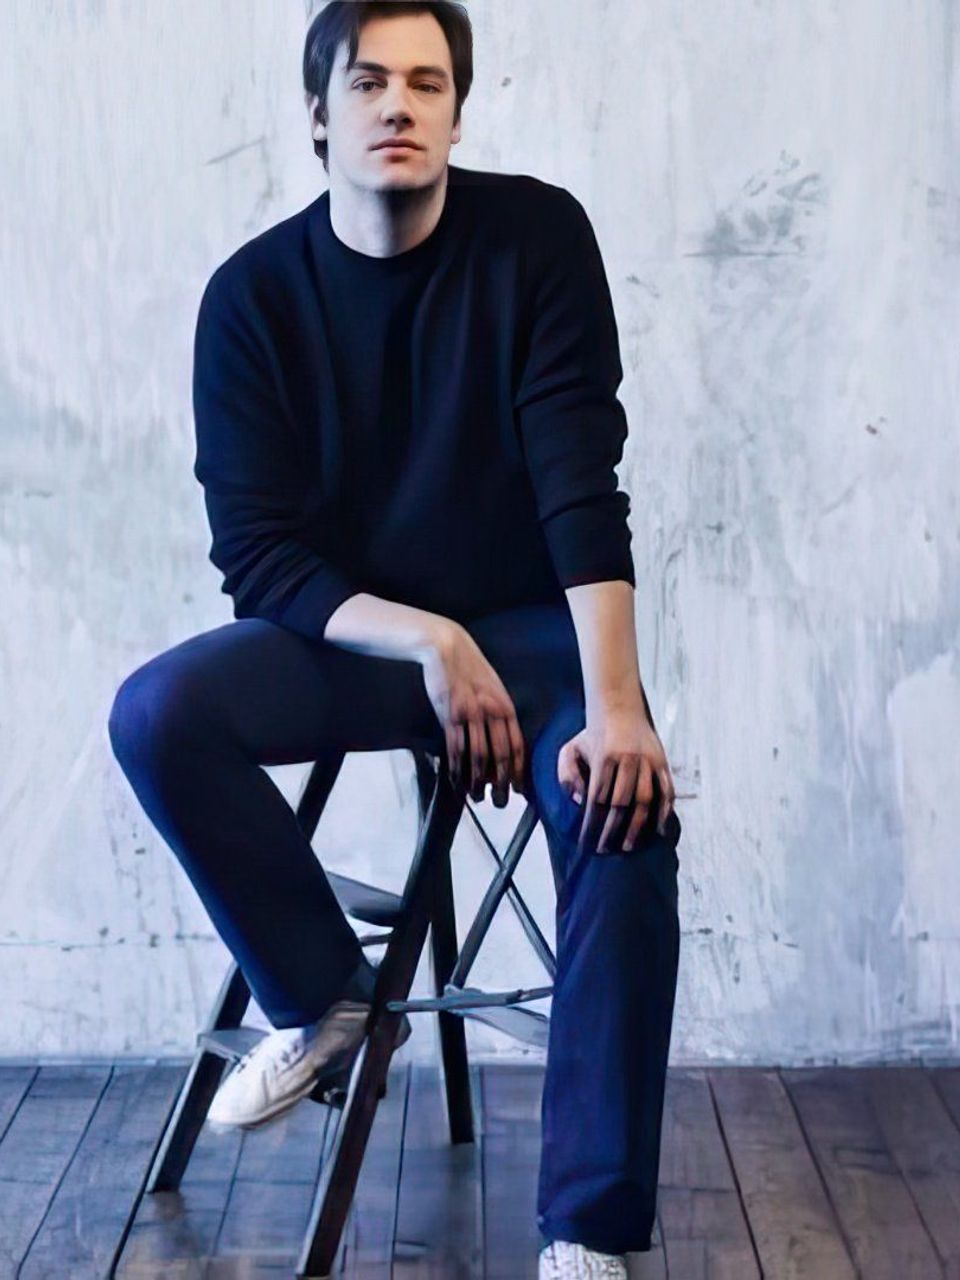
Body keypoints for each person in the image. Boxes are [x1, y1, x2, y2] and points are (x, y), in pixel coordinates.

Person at [107, 3, 682, 1276]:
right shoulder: (252, 298)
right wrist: (428, 639)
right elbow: (258, 556)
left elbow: (580, 481)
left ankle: (590, 1229)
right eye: (368, 82)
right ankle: (324, 997)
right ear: (319, 114)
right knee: (158, 713)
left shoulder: (538, 240)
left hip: (531, 637)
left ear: (458, 112)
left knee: (624, 808)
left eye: (427, 82)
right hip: (357, 641)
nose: (398, 105)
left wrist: (617, 704)